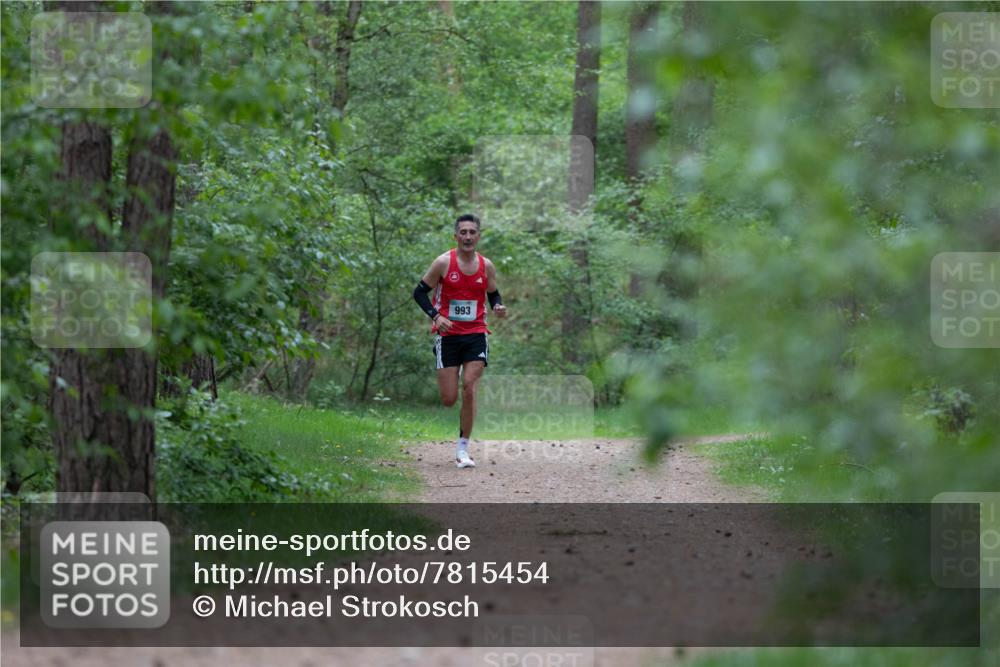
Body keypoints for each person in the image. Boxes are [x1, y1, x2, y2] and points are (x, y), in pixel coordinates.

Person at [412, 213, 507, 468]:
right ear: (456, 236)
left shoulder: (486, 266)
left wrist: (497, 306)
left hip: (476, 332)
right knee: (449, 398)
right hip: (448, 335)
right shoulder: (443, 262)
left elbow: (493, 293)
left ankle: (463, 449)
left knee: (469, 387)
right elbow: (419, 293)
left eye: (472, 232)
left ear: (478, 236)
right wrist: (436, 316)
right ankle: (461, 441)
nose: (467, 236)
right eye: (463, 232)